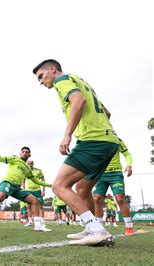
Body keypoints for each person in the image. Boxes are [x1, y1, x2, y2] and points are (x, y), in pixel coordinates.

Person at [33, 59, 119, 245]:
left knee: (59, 186)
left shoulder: (61, 80)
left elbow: (78, 101)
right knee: (82, 188)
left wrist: (67, 135)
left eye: (41, 76)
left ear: (52, 70)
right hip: (109, 140)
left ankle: (97, 230)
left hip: (93, 140)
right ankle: (91, 229)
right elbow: (107, 112)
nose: (41, 81)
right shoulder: (79, 80)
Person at [0, 143, 52, 232]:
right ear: (20, 153)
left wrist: (50, 185)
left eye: (27, 152)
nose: (24, 153)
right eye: (23, 151)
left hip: (17, 188)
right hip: (8, 183)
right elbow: (0, 159)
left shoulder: (27, 169)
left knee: (34, 200)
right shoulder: (14, 158)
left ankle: (38, 226)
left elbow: (36, 181)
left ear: (29, 155)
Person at [93, 138, 134, 235]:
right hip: (101, 174)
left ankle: (129, 227)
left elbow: (127, 154)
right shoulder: (94, 139)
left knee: (120, 198)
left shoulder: (116, 139)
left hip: (115, 174)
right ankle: (99, 229)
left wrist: (129, 165)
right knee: (97, 198)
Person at [23, 159, 47, 227]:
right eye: (28, 164)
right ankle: (30, 221)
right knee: (29, 206)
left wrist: (43, 190)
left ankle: (42, 222)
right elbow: (23, 181)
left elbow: (43, 181)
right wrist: (24, 190)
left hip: (37, 190)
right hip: (29, 191)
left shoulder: (38, 171)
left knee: (40, 206)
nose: (29, 165)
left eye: (31, 163)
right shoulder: (25, 171)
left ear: (33, 164)